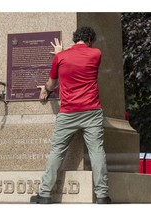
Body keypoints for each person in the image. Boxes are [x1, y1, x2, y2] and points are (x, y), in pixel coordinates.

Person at [30, 26, 111, 204]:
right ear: (90, 40)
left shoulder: (60, 57)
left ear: (75, 39)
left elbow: (51, 85)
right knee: (97, 151)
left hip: (68, 113)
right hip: (91, 111)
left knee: (56, 152)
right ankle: (102, 195)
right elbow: (82, 60)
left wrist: (45, 87)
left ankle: (44, 194)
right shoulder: (96, 53)